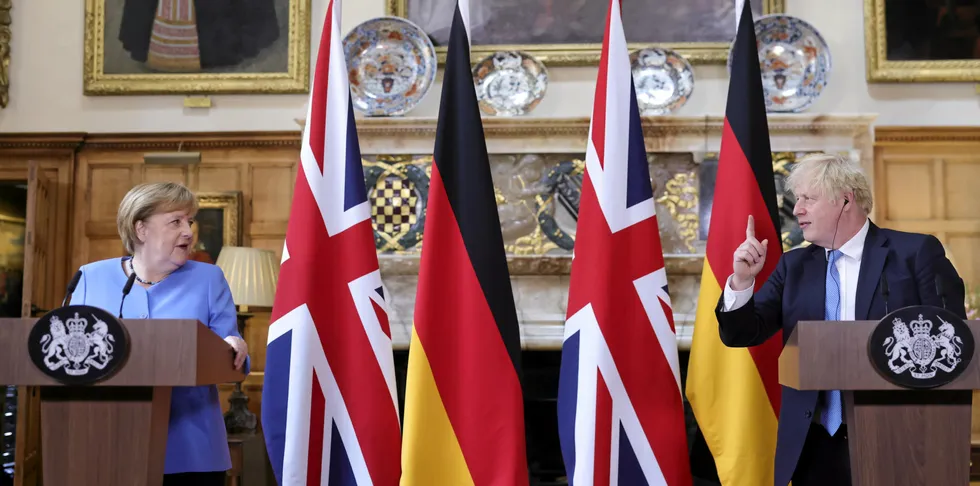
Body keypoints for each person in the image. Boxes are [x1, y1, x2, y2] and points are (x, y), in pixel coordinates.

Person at [715, 153, 966, 486]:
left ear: (846, 199)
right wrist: (742, 282)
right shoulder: (793, 267)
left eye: (808, 199)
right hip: (815, 441)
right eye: (797, 199)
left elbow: (955, 344)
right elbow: (740, 333)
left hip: (897, 437)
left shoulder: (914, 253)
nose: (797, 210)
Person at [69, 182, 249, 486]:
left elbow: (230, 356)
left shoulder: (208, 279)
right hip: (108, 443)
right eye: (175, 221)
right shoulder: (90, 277)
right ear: (141, 229)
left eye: (189, 221)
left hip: (192, 447)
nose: (189, 231)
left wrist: (233, 346)